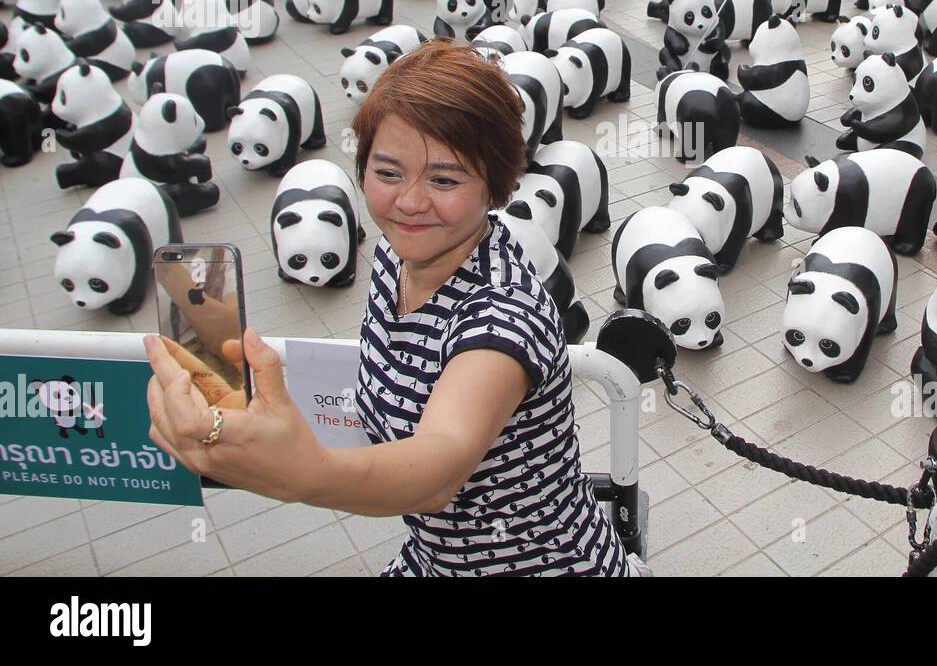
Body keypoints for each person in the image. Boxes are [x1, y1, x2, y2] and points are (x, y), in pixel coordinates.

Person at [144, 41, 638, 577]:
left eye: (444, 179)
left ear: (496, 186)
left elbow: (439, 465)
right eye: (387, 172)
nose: (408, 202)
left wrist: (301, 472)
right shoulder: (394, 258)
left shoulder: (502, 312)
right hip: (435, 559)